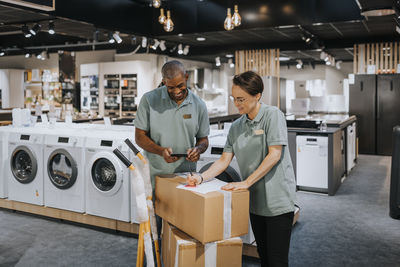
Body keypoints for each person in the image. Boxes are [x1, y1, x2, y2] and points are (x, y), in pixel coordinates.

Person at [187, 71, 296, 267]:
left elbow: (274, 155)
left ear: (257, 95)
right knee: (263, 256)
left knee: (277, 260)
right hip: (254, 200)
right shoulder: (237, 126)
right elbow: (223, 161)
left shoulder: (273, 116)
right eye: (234, 98)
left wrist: (245, 182)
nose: (237, 104)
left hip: (277, 200)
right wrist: (200, 178)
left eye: (241, 99)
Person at [135, 60, 210, 187]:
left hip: (187, 177)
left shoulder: (199, 105)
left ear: (186, 77)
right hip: (154, 177)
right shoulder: (148, 100)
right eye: (171, 87)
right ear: (164, 82)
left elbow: (203, 140)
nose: (176, 91)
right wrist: (160, 151)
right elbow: (139, 137)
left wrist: (198, 150)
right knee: (156, 207)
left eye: (180, 85)